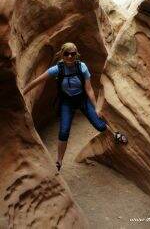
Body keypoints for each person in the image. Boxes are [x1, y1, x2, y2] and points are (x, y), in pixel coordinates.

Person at [23, 42, 128, 171]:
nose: (70, 57)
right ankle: (59, 161)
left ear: (76, 54)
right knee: (64, 131)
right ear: (62, 54)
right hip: (67, 103)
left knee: (99, 124)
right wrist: (23, 92)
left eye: (73, 54)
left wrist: (96, 107)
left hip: (82, 99)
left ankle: (115, 133)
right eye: (67, 54)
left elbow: (89, 89)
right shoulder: (58, 69)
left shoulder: (81, 67)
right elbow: (38, 81)